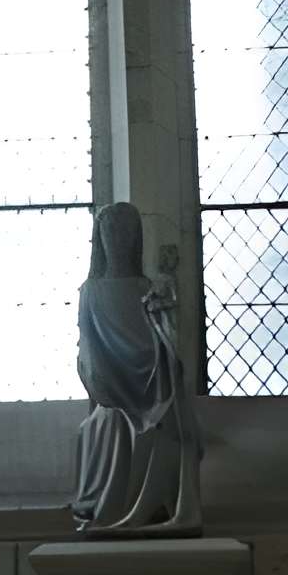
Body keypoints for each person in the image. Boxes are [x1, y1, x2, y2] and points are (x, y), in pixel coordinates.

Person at [71, 200, 202, 535]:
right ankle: (115, 515)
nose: (118, 237)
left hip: (150, 385)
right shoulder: (91, 292)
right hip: (112, 390)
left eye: (126, 230)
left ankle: (157, 513)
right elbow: (88, 353)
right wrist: (105, 386)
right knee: (111, 421)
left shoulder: (148, 289)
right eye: (111, 230)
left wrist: (166, 307)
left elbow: (164, 345)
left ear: (135, 237)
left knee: (167, 424)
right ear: (100, 238)